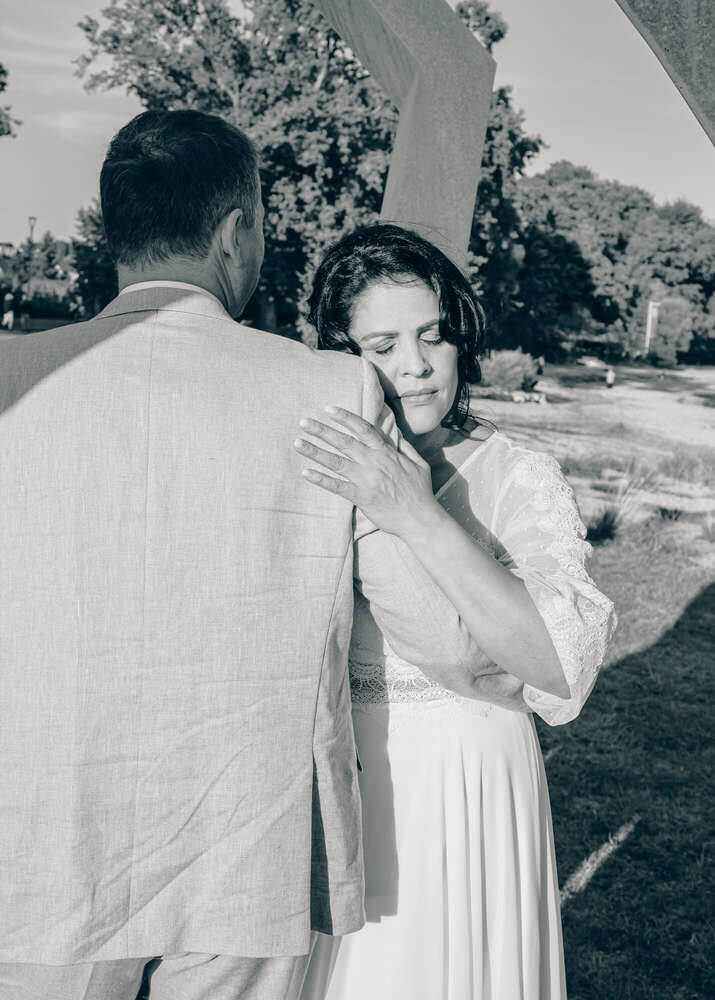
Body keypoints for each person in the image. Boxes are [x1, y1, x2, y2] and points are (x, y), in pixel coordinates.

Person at [0, 113, 497, 1000]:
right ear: (237, 230)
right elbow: (439, 634)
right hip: (249, 847)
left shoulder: (12, 381)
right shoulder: (329, 386)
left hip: (38, 844)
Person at [295, 224, 616, 1000]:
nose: (415, 365)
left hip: (469, 775)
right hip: (340, 777)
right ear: (338, 353)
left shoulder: (516, 476)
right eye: (382, 346)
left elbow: (556, 665)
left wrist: (416, 513)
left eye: (432, 336)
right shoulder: (315, 459)